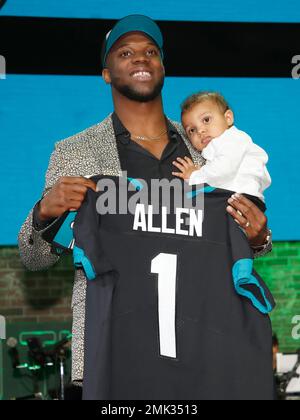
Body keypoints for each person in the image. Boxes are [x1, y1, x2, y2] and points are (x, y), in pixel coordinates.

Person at [18, 14, 273, 396]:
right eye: (126, 52)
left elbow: (242, 238)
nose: (141, 59)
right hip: (115, 356)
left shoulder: (207, 150)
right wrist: (45, 213)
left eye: (151, 51)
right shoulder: (75, 153)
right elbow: (33, 257)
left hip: (202, 354)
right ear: (106, 73)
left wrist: (258, 237)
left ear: (163, 66)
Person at [172, 92, 272, 204]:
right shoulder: (215, 146)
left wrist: (194, 175)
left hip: (244, 200)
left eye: (206, 120)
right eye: (192, 130)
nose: (200, 131)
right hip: (233, 198)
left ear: (228, 118)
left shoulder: (233, 139)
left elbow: (223, 170)